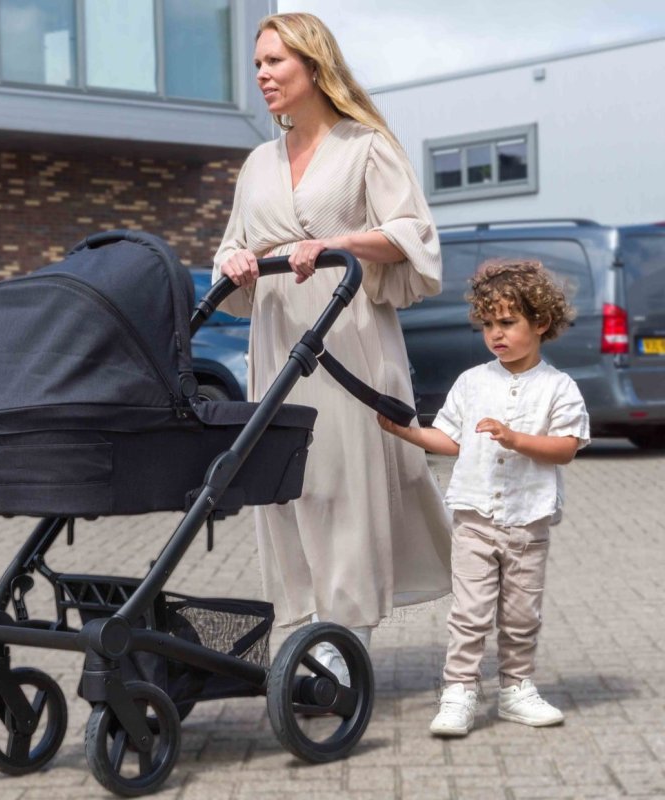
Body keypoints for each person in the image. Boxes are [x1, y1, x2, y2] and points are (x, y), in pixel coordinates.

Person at [213, 12, 452, 680]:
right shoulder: (257, 164)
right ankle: (308, 624)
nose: (262, 75)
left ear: (314, 66)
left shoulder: (365, 146)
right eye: (257, 64)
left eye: (275, 62)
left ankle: (345, 637)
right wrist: (235, 262)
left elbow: (412, 234)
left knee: (344, 483)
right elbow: (232, 246)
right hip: (276, 340)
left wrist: (334, 244)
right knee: (292, 484)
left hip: (346, 334)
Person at [378, 259, 590, 735]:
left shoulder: (559, 388)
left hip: (528, 522)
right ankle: (459, 692)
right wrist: (407, 432)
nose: (496, 334)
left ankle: (516, 689)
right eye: (489, 324)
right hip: (474, 519)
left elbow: (566, 448)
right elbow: (450, 440)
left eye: (508, 322)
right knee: (469, 613)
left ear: (541, 322)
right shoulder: (472, 382)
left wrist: (516, 439)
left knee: (520, 616)